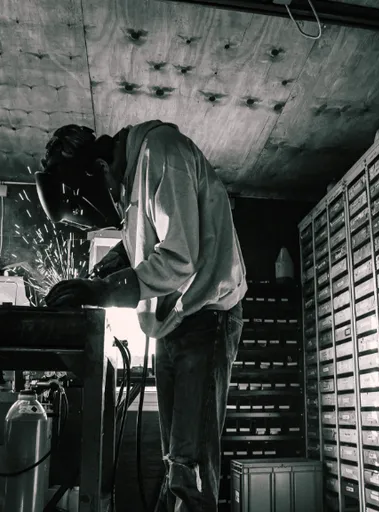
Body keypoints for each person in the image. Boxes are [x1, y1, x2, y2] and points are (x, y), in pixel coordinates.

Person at [36, 121, 248, 512]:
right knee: (176, 463)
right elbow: (142, 235)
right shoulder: (134, 175)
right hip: (176, 320)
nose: (114, 205)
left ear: (100, 167)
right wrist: (102, 272)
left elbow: (179, 255)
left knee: (189, 466)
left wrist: (105, 291)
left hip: (205, 317)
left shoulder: (161, 154)